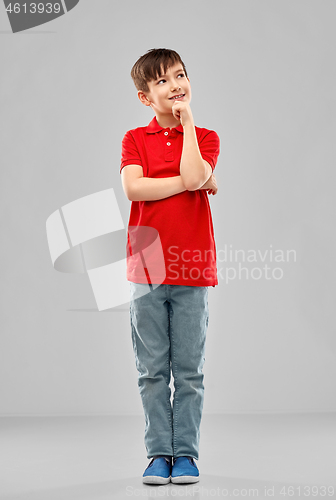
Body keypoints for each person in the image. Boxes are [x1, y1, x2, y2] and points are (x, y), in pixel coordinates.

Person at [120, 48, 220, 485]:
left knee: (190, 370)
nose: (175, 85)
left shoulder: (207, 136)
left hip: (192, 264)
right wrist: (196, 183)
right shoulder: (134, 139)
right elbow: (133, 189)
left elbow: (194, 170)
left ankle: (187, 457)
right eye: (162, 81)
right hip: (146, 265)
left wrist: (188, 126)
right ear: (145, 97)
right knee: (152, 370)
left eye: (180, 75)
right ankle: (159, 453)